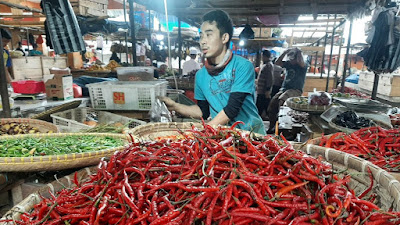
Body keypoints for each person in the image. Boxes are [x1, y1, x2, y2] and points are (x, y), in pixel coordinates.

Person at [160, 10, 265, 134]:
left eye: (209, 35)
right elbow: (203, 112)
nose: (202, 41)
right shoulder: (201, 75)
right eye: (201, 36)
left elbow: (232, 110)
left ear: (224, 37)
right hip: (223, 136)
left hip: (251, 135)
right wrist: (175, 106)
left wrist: (202, 132)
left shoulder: (242, 66)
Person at [267, 48, 307, 134]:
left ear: (296, 58)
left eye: (292, 59)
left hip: (295, 90)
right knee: (272, 105)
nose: (291, 61)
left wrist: (299, 52)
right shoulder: (288, 64)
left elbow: (301, 63)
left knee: (282, 101)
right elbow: (277, 63)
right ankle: (272, 127)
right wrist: (284, 52)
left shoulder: (302, 66)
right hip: (284, 89)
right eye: (290, 58)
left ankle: (281, 128)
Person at [256, 50, 273, 119]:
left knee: (261, 108)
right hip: (261, 91)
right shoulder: (265, 65)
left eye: (262, 56)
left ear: (265, 56)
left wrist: (268, 90)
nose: (262, 57)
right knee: (261, 108)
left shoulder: (268, 66)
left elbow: (270, 78)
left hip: (264, 92)